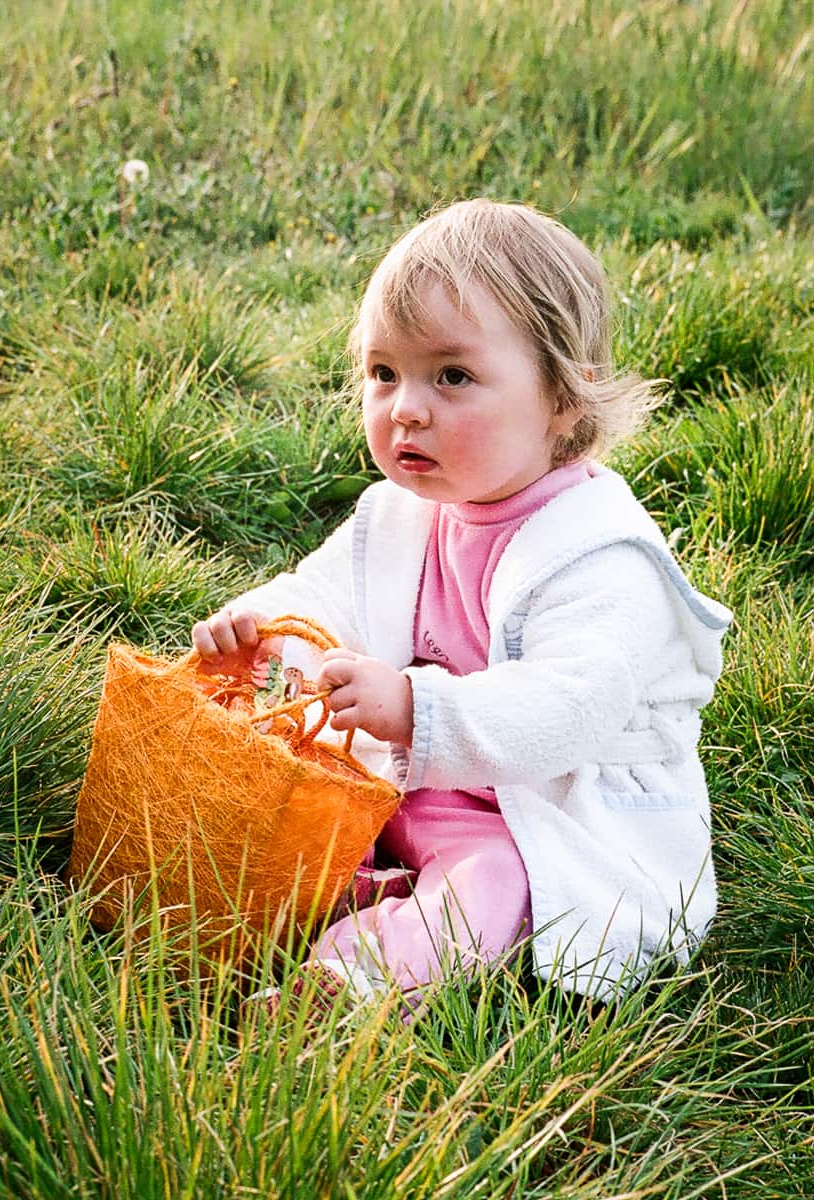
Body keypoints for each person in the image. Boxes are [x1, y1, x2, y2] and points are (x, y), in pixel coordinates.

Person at [191, 199, 732, 1015]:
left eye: (452, 376)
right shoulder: (403, 515)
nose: (406, 406)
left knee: (498, 883)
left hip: (545, 806)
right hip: (416, 785)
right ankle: (361, 893)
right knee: (308, 812)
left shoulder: (603, 557)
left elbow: (569, 707)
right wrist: (263, 630)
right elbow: (325, 594)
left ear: (564, 398)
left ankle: (355, 984)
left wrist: (415, 706)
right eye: (384, 373)